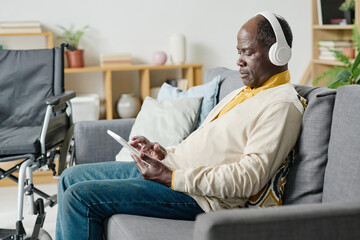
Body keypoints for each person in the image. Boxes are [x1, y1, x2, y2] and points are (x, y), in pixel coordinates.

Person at [56, 12, 304, 240]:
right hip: (172, 172)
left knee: (80, 198)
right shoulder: (245, 92)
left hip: (199, 197)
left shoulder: (281, 105)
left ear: (278, 53)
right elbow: (207, 145)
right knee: (69, 177)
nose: (239, 61)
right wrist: (163, 153)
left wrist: (172, 177)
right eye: (238, 52)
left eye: (247, 53)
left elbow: (248, 178)